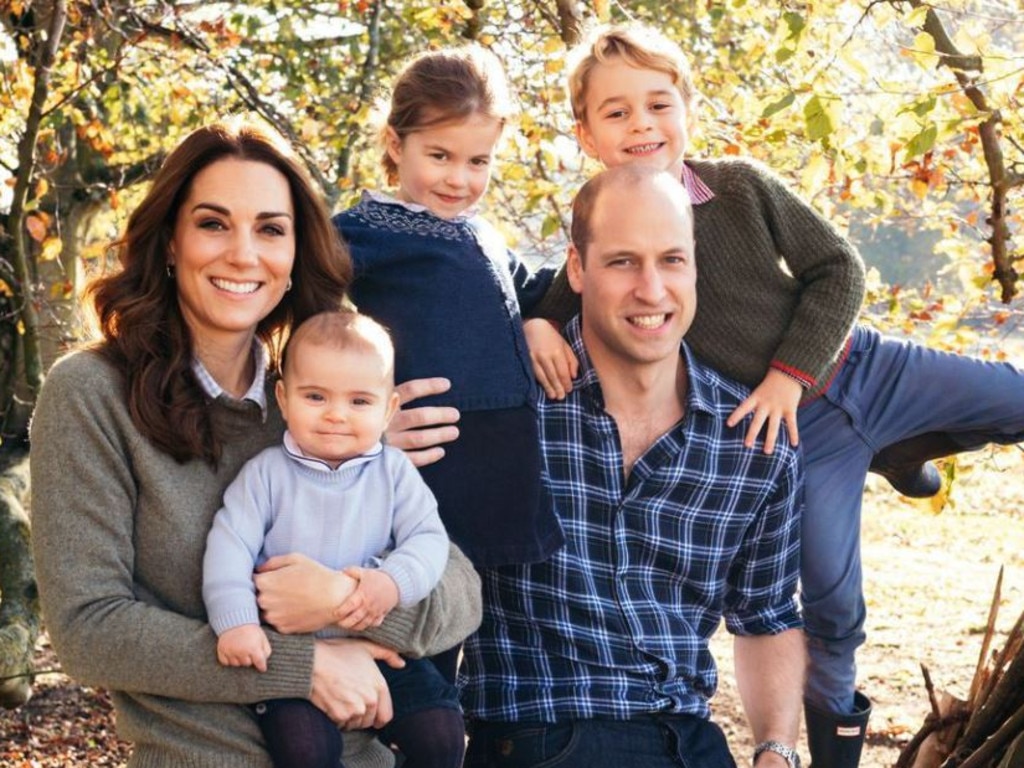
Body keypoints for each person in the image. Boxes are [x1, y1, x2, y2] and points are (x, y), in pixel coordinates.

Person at [526, 24, 1024, 767]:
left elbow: (840, 269)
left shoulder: (741, 187)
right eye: (617, 113)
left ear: (687, 110)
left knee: (1011, 397)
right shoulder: (605, 221)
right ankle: (828, 758)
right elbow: (565, 292)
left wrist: (790, 373)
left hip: (861, 370)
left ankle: (906, 444)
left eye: (658, 105)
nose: (642, 126)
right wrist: (536, 321)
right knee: (830, 604)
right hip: (796, 440)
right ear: (586, 134)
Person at [30, 118, 482, 768]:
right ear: (169, 241)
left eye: (270, 229)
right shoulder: (91, 394)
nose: (244, 254)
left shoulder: (318, 401)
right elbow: (89, 629)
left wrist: (345, 603)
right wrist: (303, 665)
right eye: (214, 223)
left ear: (297, 253)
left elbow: (460, 592)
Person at [461, 165, 807, 768]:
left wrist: (775, 750)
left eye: (671, 260)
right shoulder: (504, 407)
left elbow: (766, 615)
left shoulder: (753, 441)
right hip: (543, 731)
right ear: (577, 268)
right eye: (623, 262)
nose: (652, 290)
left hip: (690, 741)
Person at [332, 45, 566, 680]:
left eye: (478, 161)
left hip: (502, 468)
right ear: (395, 142)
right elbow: (304, 312)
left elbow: (532, 289)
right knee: (415, 641)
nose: (459, 179)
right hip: (434, 468)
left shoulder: (483, 233)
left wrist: (539, 319)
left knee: (478, 646)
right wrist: (359, 410)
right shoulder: (365, 233)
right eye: (439, 156)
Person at [203, 310, 465, 768]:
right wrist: (237, 622)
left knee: (441, 736)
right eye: (316, 396)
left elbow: (427, 540)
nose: (336, 416)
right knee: (306, 751)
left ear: (389, 408)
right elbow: (229, 547)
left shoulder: (394, 473)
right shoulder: (265, 475)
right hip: (294, 657)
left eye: (359, 402)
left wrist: (391, 583)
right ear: (283, 398)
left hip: (379, 648)